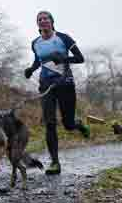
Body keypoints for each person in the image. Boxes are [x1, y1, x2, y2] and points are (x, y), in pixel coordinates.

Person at [23, 10, 89, 176]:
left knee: (68, 124)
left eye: (46, 18)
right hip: (46, 85)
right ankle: (55, 162)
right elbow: (39, 60)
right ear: (37, 24)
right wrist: (31, 69)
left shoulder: (63, 38)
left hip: (65, 83)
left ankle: (78, 124)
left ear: (52, 21)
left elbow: (80, 58)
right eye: (40, 19)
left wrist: (63, 59)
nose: (43, 21)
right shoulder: (35, 43)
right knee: (49, 123)